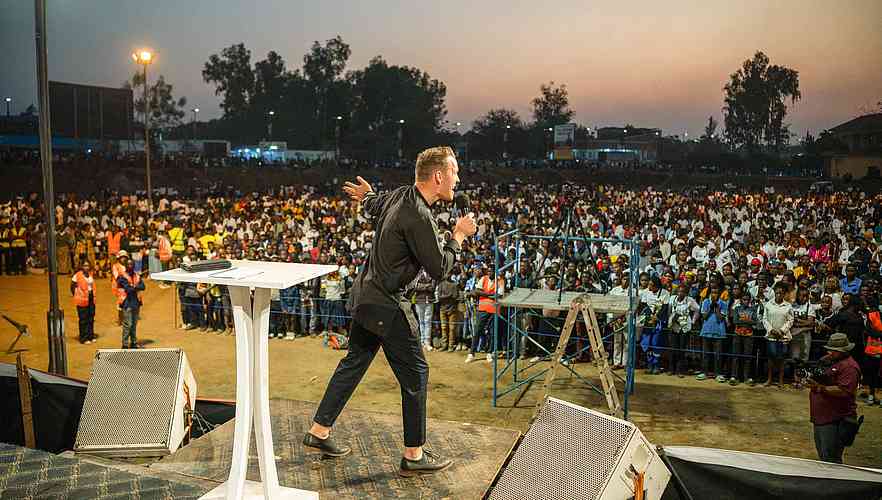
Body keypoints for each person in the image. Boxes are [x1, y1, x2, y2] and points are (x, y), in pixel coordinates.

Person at [305, 146, 476, 478]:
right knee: (416, 374)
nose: (458, 179)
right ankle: (414, 455)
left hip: (366, 296)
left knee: (354, 362)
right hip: (387, 304)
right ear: (438, 176)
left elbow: (376, 204)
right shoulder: (420, 216)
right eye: (454, 172)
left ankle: (319, 431)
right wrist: (458, 235)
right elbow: (440, 268)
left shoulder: (401, 195)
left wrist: (367, 195)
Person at [808, 333, 861, 464]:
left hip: (835, 418)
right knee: (824, 455)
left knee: (831, 458)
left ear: (843, 351)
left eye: (833, 350)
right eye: (829, 349)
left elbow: (844, 391)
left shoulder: (849, 367)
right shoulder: (828, 361)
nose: (829, 352)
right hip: (822, 416)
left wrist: (820, 388)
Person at [763, 281, 793, 387]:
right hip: (771, 336)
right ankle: (770, 379)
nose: (779, 295)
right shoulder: (769, 304)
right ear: (774, 293)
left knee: (782, 359)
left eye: (781, 293)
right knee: (771, 358)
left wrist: (782, 330)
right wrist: (771, 330)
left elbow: (790, 320)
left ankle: (780, 380)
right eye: (777, 293)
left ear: (784, 294)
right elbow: (765, 319)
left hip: (783, 336)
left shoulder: (788, 306)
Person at [117, 253, 145, 349]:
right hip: (126, 302)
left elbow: (143, 286)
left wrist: (133, 286)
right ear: (125, 266)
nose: (130, 266)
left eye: (131, 264)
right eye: (128, 264)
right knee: (127, 324)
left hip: (136, 302)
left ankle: (133, 342)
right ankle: (125, 344)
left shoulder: (137, 276)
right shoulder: (121, 276)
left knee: (134, 324)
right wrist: (135, 287)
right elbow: (128, 289)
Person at [70, 261, 97, 344]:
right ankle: (83, 338)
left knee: (91, 317)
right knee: (83, 319)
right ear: (81, 266)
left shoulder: (90, 275)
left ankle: (90, 336)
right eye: (85, 266)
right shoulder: (77, 275)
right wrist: (77, 294)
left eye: (88, 266)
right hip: (81, 299)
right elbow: (72, 286)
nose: (87, 267)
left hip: (91, 298)